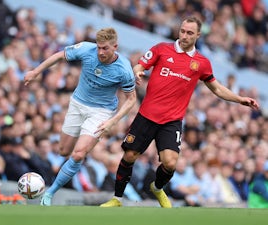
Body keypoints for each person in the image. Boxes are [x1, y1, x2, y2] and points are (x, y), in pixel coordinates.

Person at [100, 16, 260, 208]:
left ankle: (157, 188)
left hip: (172, 121)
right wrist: (137, 72)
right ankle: (117, 199)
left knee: (170, 163)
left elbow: (216, 88)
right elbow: (140, 65)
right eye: (182, 31)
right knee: (129, 157)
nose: (184, 35)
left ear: (198, 35)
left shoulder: (201, 63)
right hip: (147, 115)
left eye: (189, 33)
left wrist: (239, 99)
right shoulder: (161, 49)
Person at [24, 27, 136, 206]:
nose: (100, 52)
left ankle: (50, 193)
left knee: (78, 154)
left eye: (105, 48)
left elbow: (131, 99)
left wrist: (113, 121)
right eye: (99, 47)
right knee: (63, 151)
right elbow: (59, 55)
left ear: (115, 46)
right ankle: (78, 159)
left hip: (101, 112)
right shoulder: (86, 49)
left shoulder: (124, 69)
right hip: (77, 104)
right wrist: (35, 72)